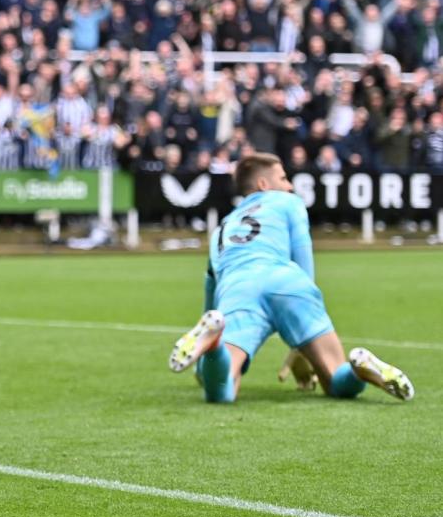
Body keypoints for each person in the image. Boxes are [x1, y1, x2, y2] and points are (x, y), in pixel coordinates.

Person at [168, 152, 414, 405]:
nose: (289, 185)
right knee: (336, 381)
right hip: (289, 282)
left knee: (222, 390)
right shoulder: (288, 202)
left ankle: (214, 344)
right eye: (284, 178)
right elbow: (303, 255)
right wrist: (302, 337)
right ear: (264, 184)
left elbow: (211, 291)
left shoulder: (222, 228)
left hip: (238, 289)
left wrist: (211, 348)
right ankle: (358, 368)